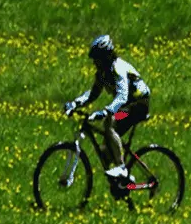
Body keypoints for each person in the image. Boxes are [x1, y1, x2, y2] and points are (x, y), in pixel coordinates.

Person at [62, 34, 151, 179]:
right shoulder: (102, 73)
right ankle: (125, 182)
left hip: (139, 104)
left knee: (110, 122)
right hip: (127, 107)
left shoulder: (118, 68)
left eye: (97, 59)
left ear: (106, 56)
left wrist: (106, 111)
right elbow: (92, 94)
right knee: (105, 152)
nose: (95, 63)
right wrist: (75, 103)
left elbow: (122, 96)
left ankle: (122, 168)